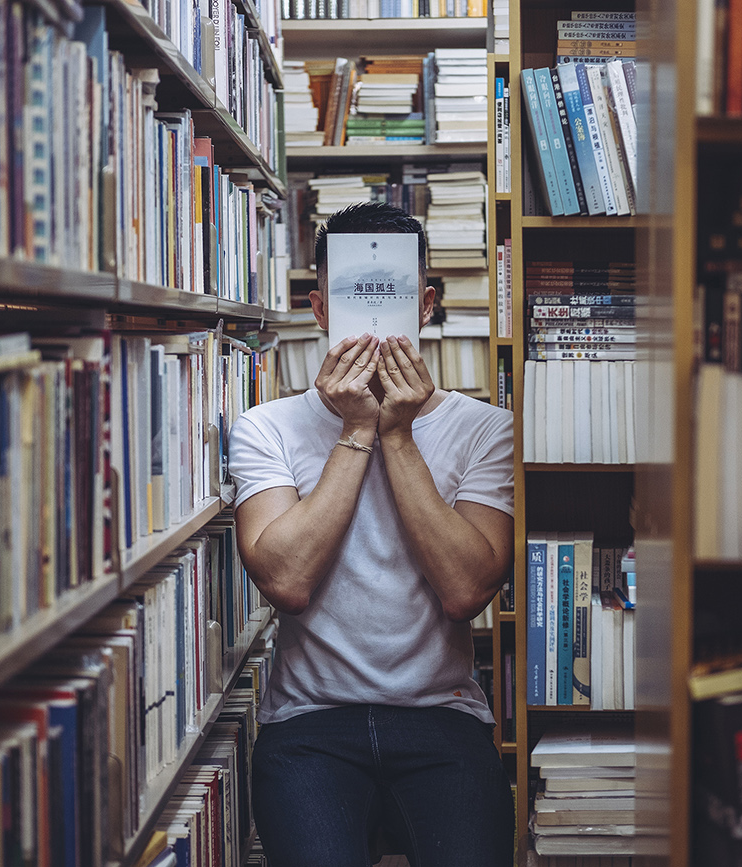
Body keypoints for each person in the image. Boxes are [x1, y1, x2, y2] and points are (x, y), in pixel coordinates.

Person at [228, 202, 515, 866]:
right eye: (357, 294)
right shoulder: (265, 426)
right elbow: (287, 582)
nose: (377, 316)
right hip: (309, 724)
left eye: (394, 293)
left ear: (428, 303)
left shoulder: (484, 429)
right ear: (319, 306)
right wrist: (357, 432)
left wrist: (398, 433)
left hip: (442, 717)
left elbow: (466, 591)